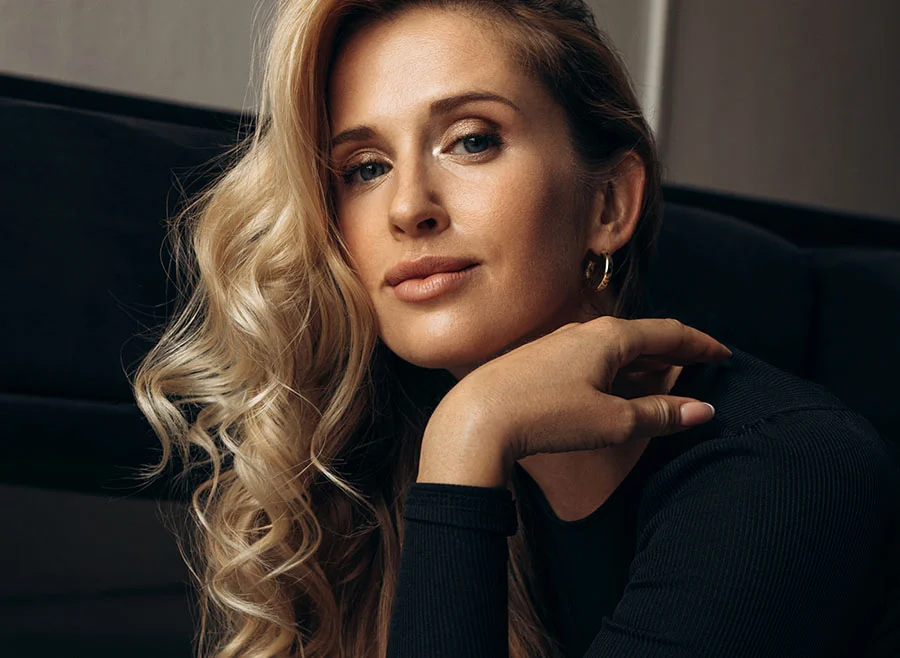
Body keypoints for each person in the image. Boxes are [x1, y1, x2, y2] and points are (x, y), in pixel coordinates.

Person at [131, 0, 900, 657]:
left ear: (609, 206)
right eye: (364, 167)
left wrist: (471, 433)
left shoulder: (789, 474)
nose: (408, 208)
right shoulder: (375, 466)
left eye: (472, 139)